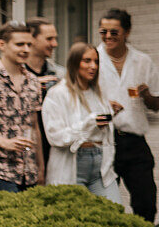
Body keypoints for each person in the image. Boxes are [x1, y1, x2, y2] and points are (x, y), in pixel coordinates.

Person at [96, 8, 159, 222]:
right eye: (103, 32)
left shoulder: (142, 61)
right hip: (103, 140)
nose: (108, 37)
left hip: (134, 142)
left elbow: (157, 105)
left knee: (146, 202)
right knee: (106, 205)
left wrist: (146, 95)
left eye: (113, 32)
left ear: (127, 32)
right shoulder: (93, 59)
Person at [42, 43, 122, 202]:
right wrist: (89, 124)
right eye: (87, 61)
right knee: (75, 218)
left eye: (96, 61)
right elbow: (55, 137)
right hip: (73, 164)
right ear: (74, 62)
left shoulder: (99, 93)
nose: (93, 66)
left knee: (115, 211)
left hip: (101, 164)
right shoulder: (58, 93)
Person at [0, 22, 43, 191]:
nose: (26, 49)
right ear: (2, 45)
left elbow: (34, 126)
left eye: (29, 44)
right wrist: (3, 142)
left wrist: (41, 167)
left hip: (28, 172)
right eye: (20, 44)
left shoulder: (33, 81)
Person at [25, 17, 64, 167]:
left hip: (53, 150)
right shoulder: (13, 75)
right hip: (25, 147)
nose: (55, 44)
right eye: (49, 39)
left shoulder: (60, 75)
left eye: (55, 38)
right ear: (31, 39)